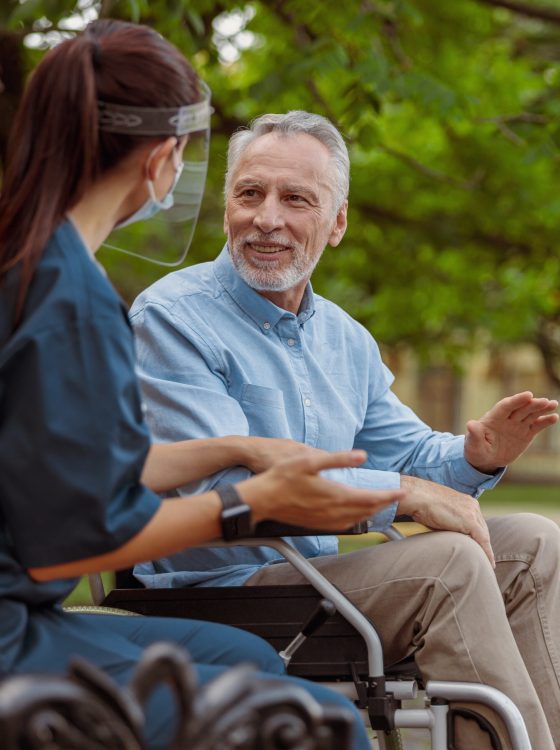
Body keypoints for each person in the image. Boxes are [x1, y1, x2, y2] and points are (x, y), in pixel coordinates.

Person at [0, 26, 407, 750]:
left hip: (26, 615)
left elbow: (88, 459)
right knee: (319, 722)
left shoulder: (39, 263)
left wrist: (241, 449)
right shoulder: (66, 299)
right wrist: (250, 503)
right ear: (161, 159)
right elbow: (63, 545)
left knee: (246, 657)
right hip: (12, 638)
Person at [130, 110, 560, 749]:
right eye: (249, 194)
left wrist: (474, 456)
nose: (266, 218)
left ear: (337, 224)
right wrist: (403, 492)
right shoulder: (172, 317)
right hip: (213, 592)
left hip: (312, 584)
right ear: (226, 208)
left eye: (295, 199)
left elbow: (411, 454)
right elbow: (221, 485)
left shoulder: (345, 338)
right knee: (448, 564)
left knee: (532, 542)